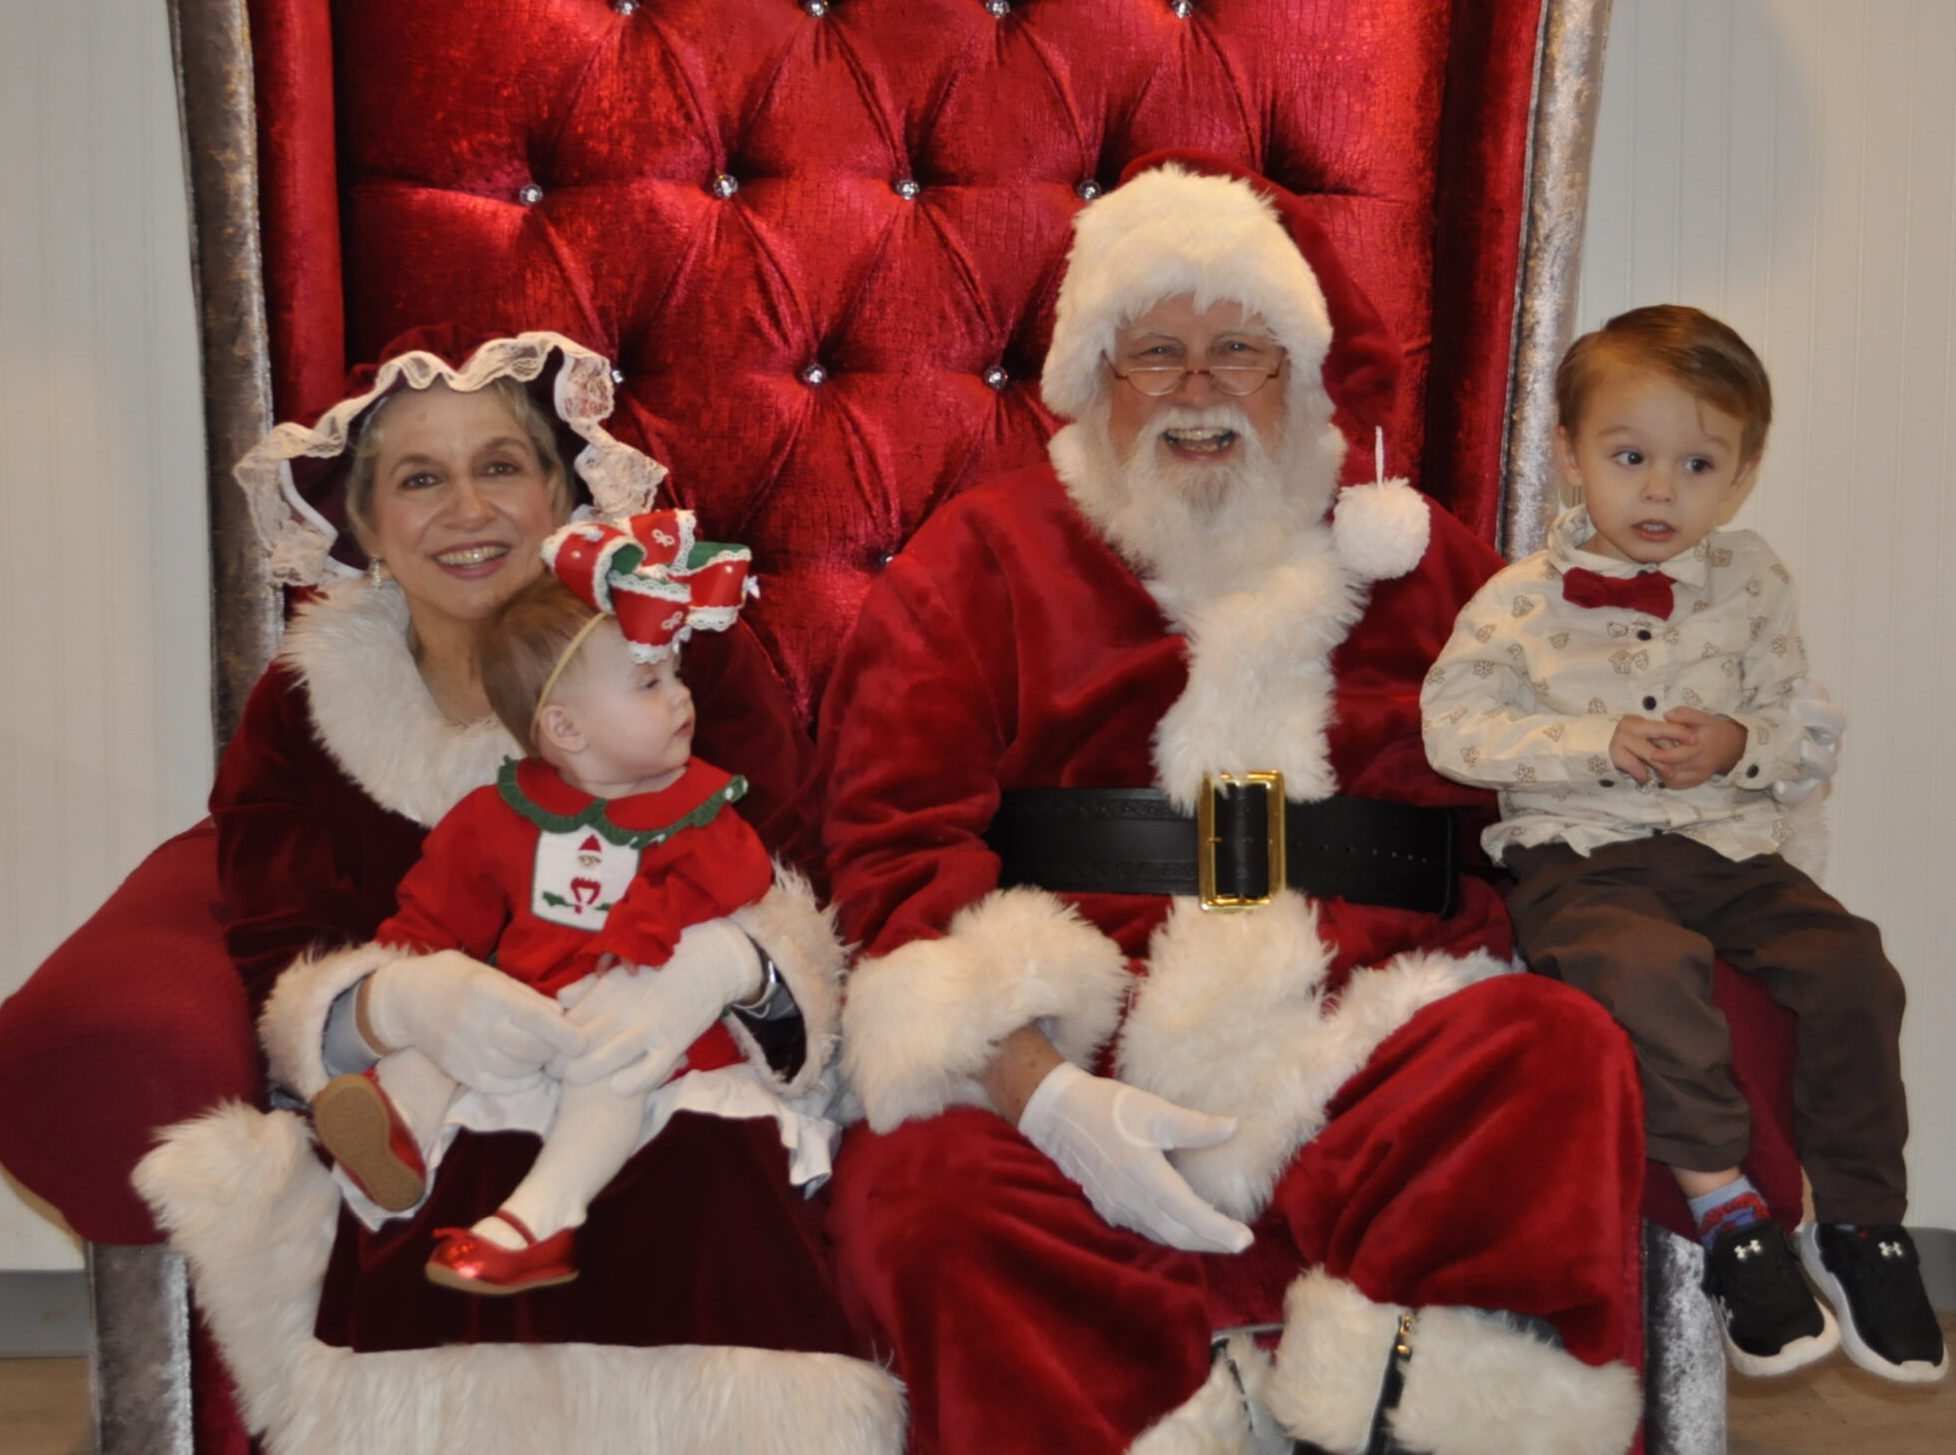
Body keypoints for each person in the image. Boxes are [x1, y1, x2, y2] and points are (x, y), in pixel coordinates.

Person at [815, 157, 1650, 1455]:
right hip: (1084, 1044)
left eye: (1239, 351)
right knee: (921, 1189)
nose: (1198, 390)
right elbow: (892, 850)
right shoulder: (980, 554)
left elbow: (1557, 772)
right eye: (1156, 352)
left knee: (1551, 1048)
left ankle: (1408, 1416)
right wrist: (1042, 1092)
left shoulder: (1415, 556)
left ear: (1299, 372)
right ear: (1095, 375)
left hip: (1366, 1030)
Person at [130, 328, 901, 1454]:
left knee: (697, 1166)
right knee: (441, 1180)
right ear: (364, 523)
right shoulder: (300, 710)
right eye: (419, 478)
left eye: (500, 465)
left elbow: (799, 883)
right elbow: (278, 943)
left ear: (562, 491)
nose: (468, 509)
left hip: (672, 1060)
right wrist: (398, 1003)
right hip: (453, 1084)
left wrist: (721, 969)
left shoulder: (679, 659)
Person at [1417, 304, 1945, 1385]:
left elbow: (1799, 727)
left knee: (1854, 965)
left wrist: (1739, 743)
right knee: (1649, 973)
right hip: (1580, 857)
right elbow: (1453, 732)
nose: (1660, 490)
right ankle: (1728, 1213)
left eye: (1697, 464)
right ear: (1572, 456)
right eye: (1630, 457)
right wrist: (1594, 741)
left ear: (1741, 474)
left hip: (1732, 852)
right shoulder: (1516, 602)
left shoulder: (1755, 583)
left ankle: (1861, 1224)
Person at [311, 512, 841, 1296]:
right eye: (650, 683)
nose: (682, 698)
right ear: (565, 728)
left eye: (675, 675)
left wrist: (634, 947)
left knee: (608, 1073)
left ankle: (543, 1220)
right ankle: (396, 1138)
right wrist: (419, 993)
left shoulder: (699, 811)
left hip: (655, 1039)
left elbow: (736, 890)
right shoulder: (497, 816)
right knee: (440, 1042)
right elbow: (433, 921)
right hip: (536, 1018)